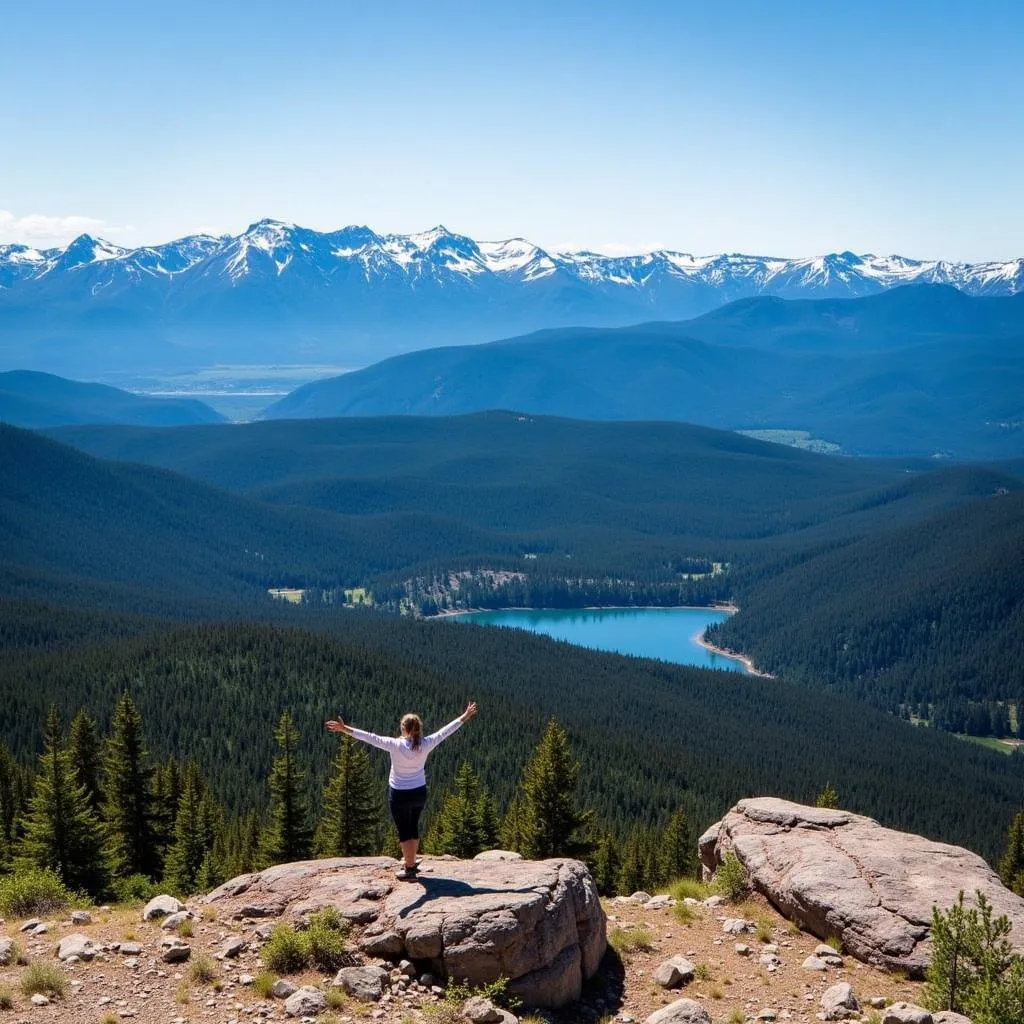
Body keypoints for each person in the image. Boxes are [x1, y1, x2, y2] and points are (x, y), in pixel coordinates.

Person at [325, 702, 477, 879]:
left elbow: (369, 737)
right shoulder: (426, 743)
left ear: (405, 729)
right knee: (413, 827)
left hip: (399, 795)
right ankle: (411, 859)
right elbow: (445, 731)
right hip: (419, 793)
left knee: (404, 830)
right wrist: (465, 716)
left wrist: (344, 729)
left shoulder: (394, 745)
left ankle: (410, 868)